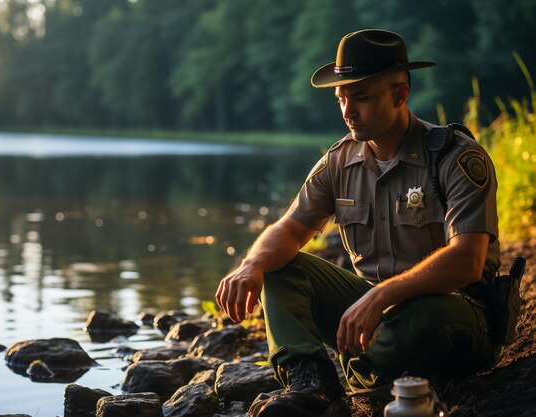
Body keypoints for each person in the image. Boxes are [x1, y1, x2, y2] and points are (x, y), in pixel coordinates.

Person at [215, 29, 501, 417]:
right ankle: (312, 383)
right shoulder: (339, 161)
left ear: (400, 95)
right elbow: (289, 228)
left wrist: (381, 296)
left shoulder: (455, 157)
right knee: (279, 266)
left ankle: (365, 371)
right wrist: (251, 265)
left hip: (456, 313)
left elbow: (467, 260)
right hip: (375, 313)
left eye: (362, 97)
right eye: (342, 99)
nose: (348, 110)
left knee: (426, 317)